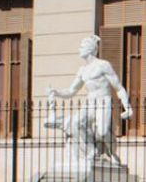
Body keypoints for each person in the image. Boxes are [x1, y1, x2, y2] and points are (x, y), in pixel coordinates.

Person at [46, 35, 134, 165]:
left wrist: (128, 107)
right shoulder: (82, 70)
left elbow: (118, 87)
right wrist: (57, 92)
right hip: (90, 103)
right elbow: (71, 91)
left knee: (103, 132)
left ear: (90, 48)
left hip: (103, 101)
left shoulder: (103, 65)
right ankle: (91, 151)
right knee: (76, 123)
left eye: (82, 46)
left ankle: (113, 153)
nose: (79, 49)